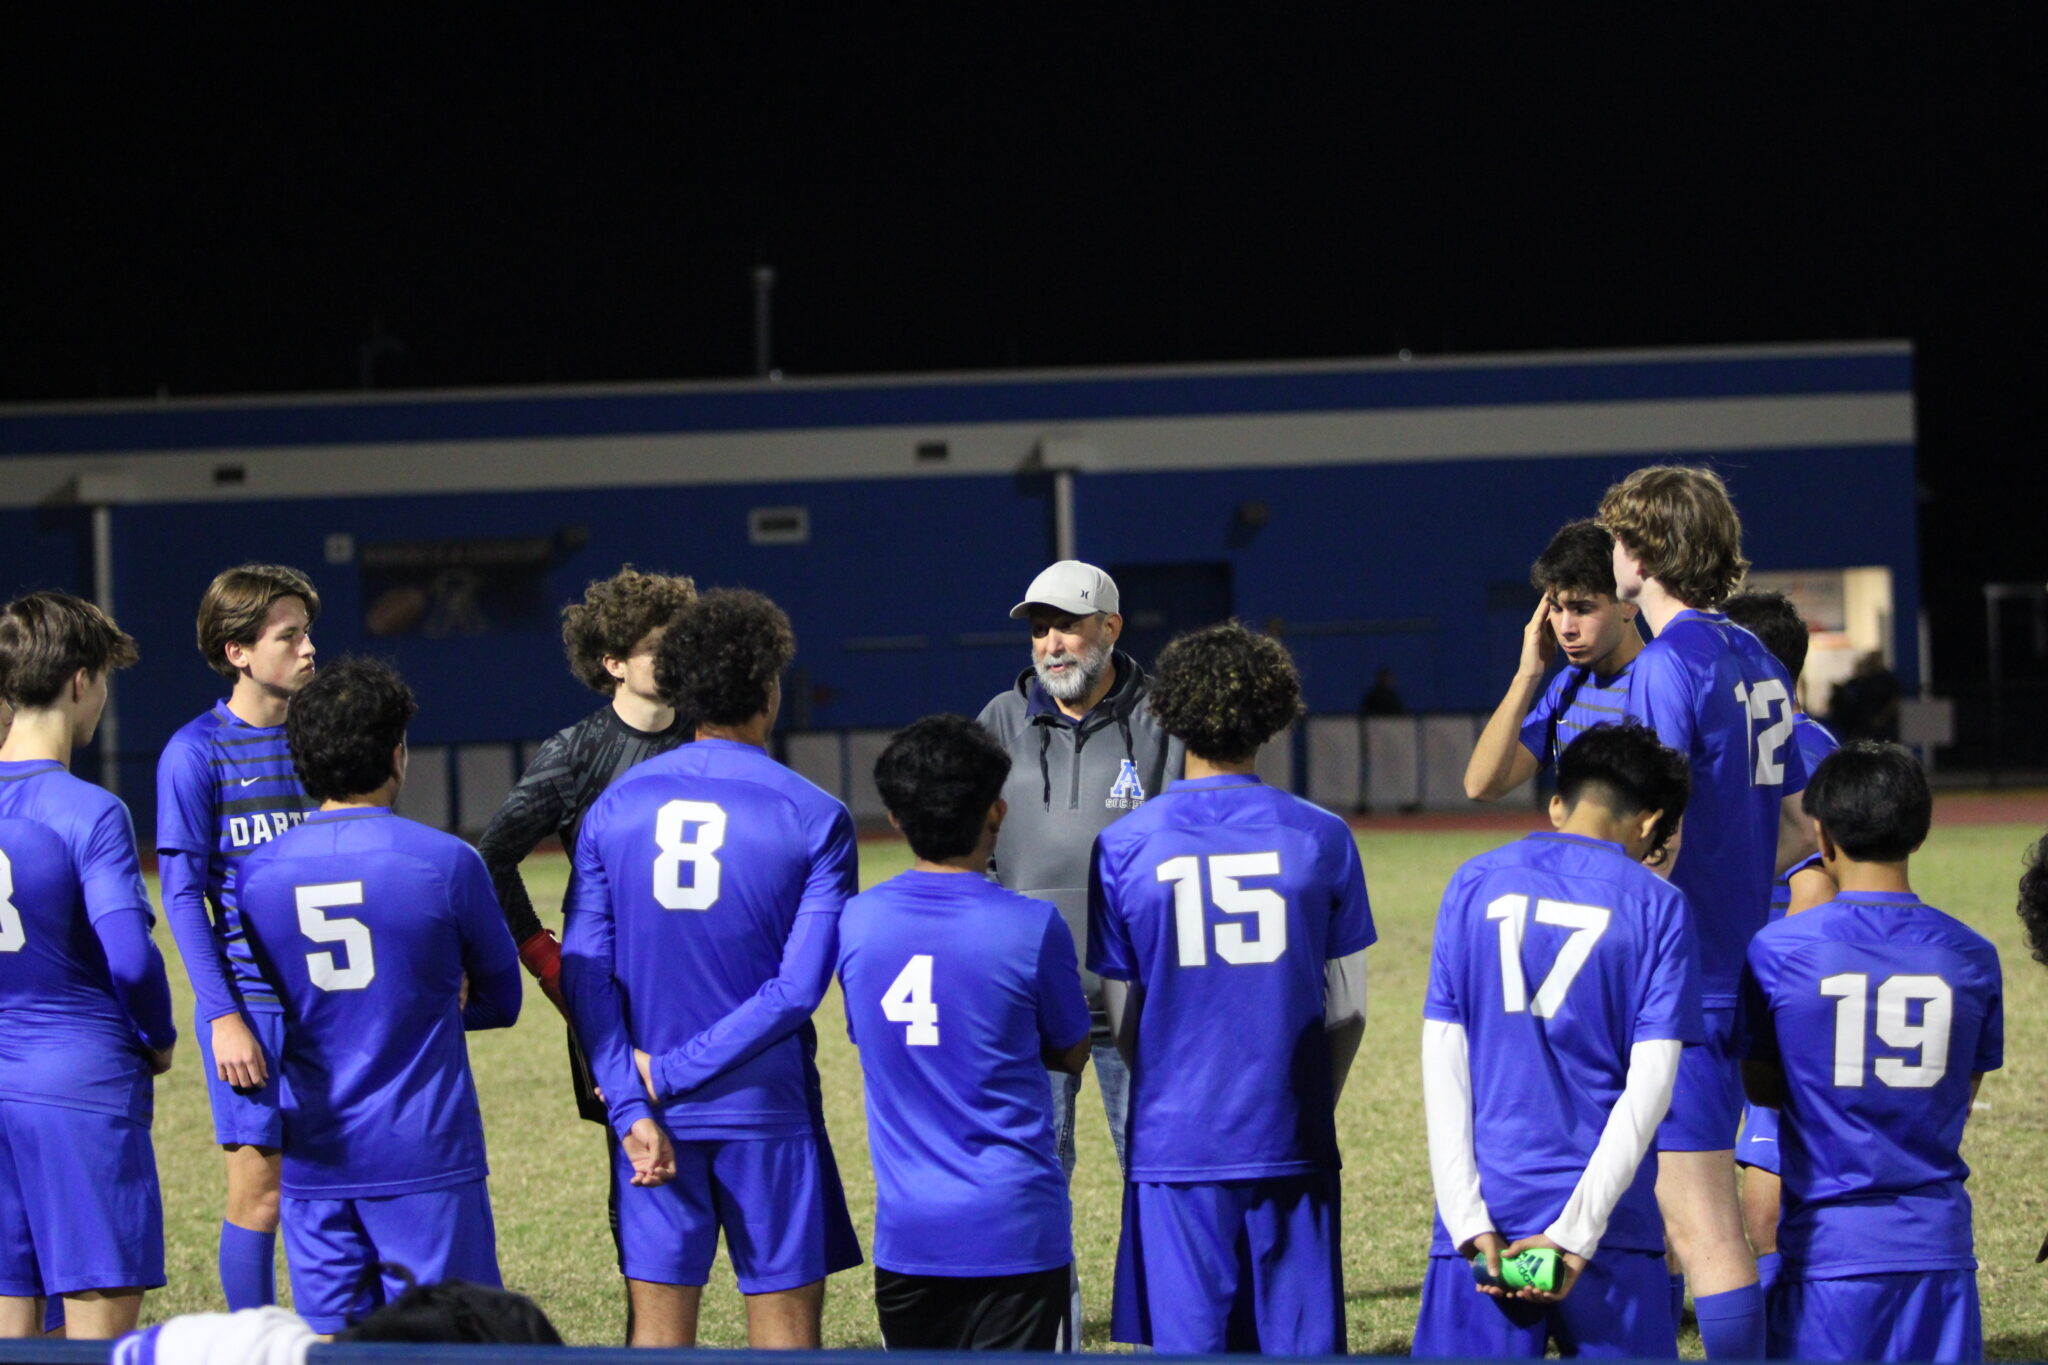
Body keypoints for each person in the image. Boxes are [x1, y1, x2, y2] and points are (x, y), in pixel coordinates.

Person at [562, 589, 862, 1348]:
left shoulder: (613, 806)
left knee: (659, 1343)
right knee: (786, 1343)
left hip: (651, 1119)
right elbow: (797, 990)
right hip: (765, 1109)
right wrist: (665, 1074)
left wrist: (633, 1100)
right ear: (768, 689)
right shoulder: (815, 814)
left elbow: (582, 967)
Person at [1088, 621, 1372, 1353]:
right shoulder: (1322, 834)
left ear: (1169, 711)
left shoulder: (1124, 844)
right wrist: (1303, 1093)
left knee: (1193, 1344)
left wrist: (1173, 1084)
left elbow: (1121, 1010)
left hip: (1177, 1136)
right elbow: (1348, 1008)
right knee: (1298, 1341)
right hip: (1290, 1129)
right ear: (1274, 713)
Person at [236, 658, 521, 1335]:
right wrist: (433, 1005)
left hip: (315, 1150)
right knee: (453, 1341)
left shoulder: (258, 875)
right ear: (397, 754)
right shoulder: (447, 861)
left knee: (334, 1345)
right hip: (424, 1150)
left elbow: (273, 995)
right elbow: (502, 999)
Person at [1598, 465, 1812, 1358]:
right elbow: (1797, 829)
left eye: (1617, 538)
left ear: (1644, 554)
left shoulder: (1665, 665)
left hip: (1687, 980)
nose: (1611, 555)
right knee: (1681, 1204)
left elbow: (1654, 836)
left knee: (1703, 1224)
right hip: (1744, 962)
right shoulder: (1756, 656)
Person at [1414, 721, 1699, 1358]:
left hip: (1488, 1216)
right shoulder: (1658, 905)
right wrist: (1575, 1234)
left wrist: (1466, 1221)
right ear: (1650, 823)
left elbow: (1444, 1060)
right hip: (1608, 1228)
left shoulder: (1473, 881)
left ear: (1557, 803)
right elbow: (1649, 1089)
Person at [474, 567, 694, 1337]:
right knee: (639, 1160)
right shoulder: (577, 752)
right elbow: (490, 855)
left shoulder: (712, 729)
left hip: (707, 986)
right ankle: (652, 1330)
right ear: (612, 661)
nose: (677, 656)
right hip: (612, 993)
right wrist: (543, 956)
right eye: (658, 646)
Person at [1736, 742, 2001, 1363]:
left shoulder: (1778, 953)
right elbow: (1957, 1098)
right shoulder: (1971, 955)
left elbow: (1762, 1089)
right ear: (1920, 830)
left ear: (1821, 836)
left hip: (1829, 1251)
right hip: (1938, 1249)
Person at [837, 714, 1092, 1350]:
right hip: (1016, 1229)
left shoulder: (857, 922)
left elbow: (871, 1035)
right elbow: (1071, 1049)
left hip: (911, 1236)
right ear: (997, 812)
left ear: (895, 818)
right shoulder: (1032, 927)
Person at [0, 593, 172, 1342]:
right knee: (98, 1337)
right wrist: (159, 1034)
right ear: (79, 681)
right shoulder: (91, 811)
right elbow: (131, 959)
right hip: (80, 1091)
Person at [975, 561, 1181, 1187]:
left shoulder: (1162, 719)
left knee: (1155, 1180)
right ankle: (1051, 1295)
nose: (1051, 645)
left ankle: (1154, 1292)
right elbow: (969, 844)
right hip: (1031, 1000)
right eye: (1040, 630)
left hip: (1139, 1003)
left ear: (1111, 627)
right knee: (1033, 1182)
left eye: (1067, 626)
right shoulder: (1000, 721)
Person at [154, 564, 320, 1311]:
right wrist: (223, 1015)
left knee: (333, 1181)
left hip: (332, 998)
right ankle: (251, 1342)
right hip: (250, 1005)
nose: (309, 649)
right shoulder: (195, 753)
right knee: (260, 1193)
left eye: (307, 633)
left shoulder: (325, 741)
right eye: (289, 636)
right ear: (238, 651)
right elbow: (183, 896)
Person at [1720, 588, 1841, 1291]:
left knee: (1745, 1180)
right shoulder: (1811, 742)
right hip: (1760, 978)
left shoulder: (1800, 748)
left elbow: (1816, 882)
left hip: (1763, 980)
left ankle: (1768, 1313)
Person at [1465, 520, 1644, 802]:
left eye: (1582, 609)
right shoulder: (1567, 688)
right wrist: (1526, 676)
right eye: (1557, 609)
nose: (1565, 628)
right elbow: (1481, 786)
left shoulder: (1658, 685)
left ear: (1628, 603)